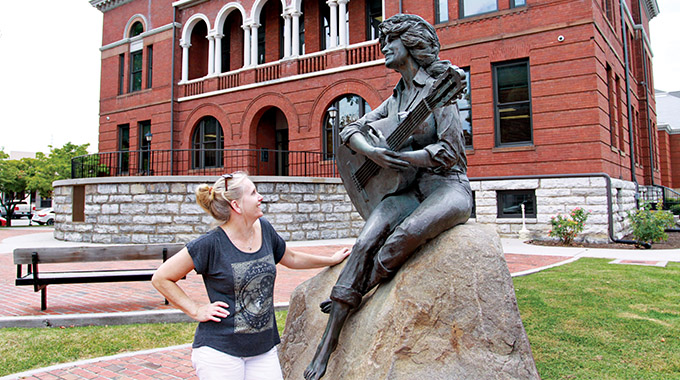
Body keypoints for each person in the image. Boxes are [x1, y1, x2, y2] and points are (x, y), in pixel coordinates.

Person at [304, 14, 473, 380]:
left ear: (409, 45)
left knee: (402, 237)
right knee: (365, 239)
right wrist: (374, 152)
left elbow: (451, 153)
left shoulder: (439, 90)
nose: (383, 48)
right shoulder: (397, 95)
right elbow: (351, 129)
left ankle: (356, 289)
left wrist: (405, 157)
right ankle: (326, 344)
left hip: (448, 187)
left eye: (389, 42)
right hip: (408, 187)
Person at [152, 171, 350, 380]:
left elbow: (290, 257)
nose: (260, 197)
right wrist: (196, 309)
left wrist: (331, 260)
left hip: (263, 350)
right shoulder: (210, 244)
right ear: (236, 205)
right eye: (253, 193)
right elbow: (161, 278)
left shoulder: (264, 229)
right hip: (220, 352)